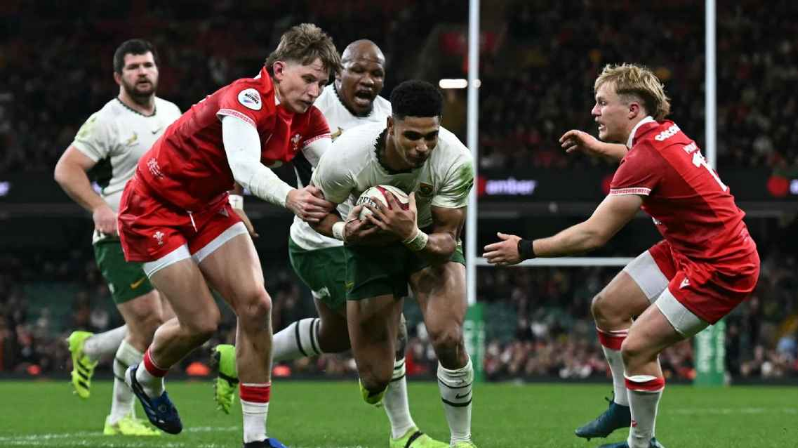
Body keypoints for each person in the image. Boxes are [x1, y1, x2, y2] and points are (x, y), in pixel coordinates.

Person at [484, 63, 760, 448]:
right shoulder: (663, 132)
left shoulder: (646, 156)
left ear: (632, 109)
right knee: (608, 307)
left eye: (602, 103)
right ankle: (621, 404)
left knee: (637, 347)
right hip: (690, 247)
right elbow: (638, 154)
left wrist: (525, 249)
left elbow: (593, 234)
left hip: (721, 266)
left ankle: (641, 444)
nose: (594, 111)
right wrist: (599, 148)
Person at [212, 41, 447, 448]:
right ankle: (404, 432)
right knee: (391, 325)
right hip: (322, 240)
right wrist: (235, 202)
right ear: (339, 74)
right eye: (358, 70)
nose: (368, 80)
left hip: (371, 238)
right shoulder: (309, 103)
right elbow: (246, 150)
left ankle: (245, 356)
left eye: (376, 73)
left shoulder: (393, 116)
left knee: (336, 336)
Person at [116, 24, 341, 448]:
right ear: (279, 69)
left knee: (257, 304)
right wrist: (292, 197)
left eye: (322, 83)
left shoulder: (309, 118)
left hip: (207, 206)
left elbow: (334, 171)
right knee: (201, 322)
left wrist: (371, 201)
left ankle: (255, 439)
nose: (315, 91)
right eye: (308, 79)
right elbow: (244, 167)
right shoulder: (245, 97)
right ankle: (145, 377)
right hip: (154, 207)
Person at [309, 80, 477, 448]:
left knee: (448, 337)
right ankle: (378, 372)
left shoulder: (456, 159)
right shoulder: (345, 156)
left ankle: (461, 440)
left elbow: (448, 239)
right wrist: (342, 230)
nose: (423, 147)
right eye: (412, 136)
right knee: (375, 380)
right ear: (390, 125)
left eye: (431, 136)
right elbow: (314, 211)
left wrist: (412, 234)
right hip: (369, 245)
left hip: (426, 238)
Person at [54, 39, 181, 437]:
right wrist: (98, 207)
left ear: (157, 70)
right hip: (120, 233)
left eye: (148, 65)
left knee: (173, 323)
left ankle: (90, 349)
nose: (142, 72)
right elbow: (66, 169)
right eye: (133, 67)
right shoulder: (106, 120)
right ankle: (119, 417)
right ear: (118, 76)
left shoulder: (172, 112)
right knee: (149, 322)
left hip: (164, 231)